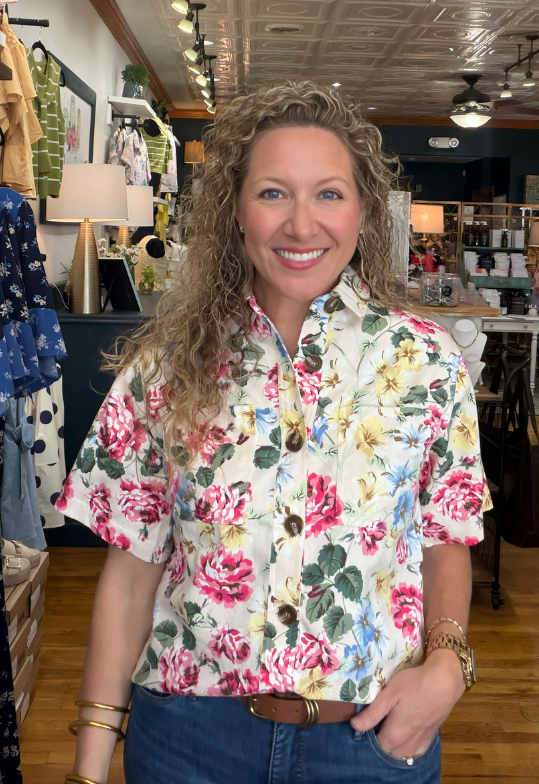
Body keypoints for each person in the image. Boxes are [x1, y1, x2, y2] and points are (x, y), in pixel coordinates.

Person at [57, 81, 487, 784]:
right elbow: (131, 577)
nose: (301, 224)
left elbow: (446, 537)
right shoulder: (165, 366)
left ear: (362, 211)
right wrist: (90, 758)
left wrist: (448, 663)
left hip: (370, 736)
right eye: (272, 193)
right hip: (187, 741)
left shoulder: (425, 362)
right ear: (235, 209)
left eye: (328, 193)